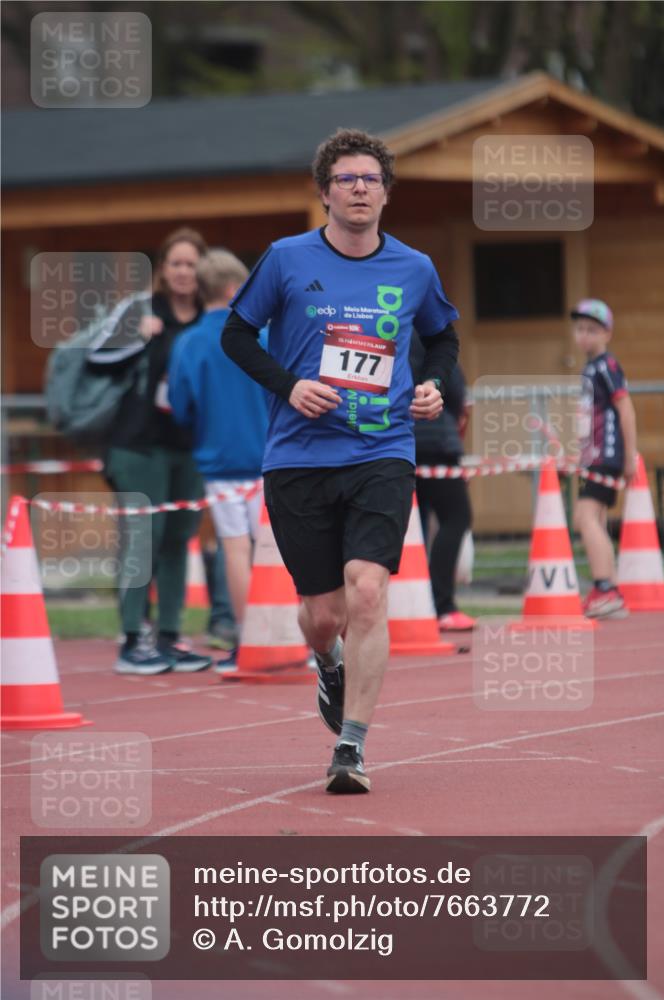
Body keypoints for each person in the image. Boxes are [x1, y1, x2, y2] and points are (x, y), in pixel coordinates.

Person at [222, 128, 459, 794]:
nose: (359, 189)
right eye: (346, 179)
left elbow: (442, 339)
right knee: (322, 611)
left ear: (386, 192)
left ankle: (350, 748)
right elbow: (235, 334)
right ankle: (326, 661)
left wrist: (432, 385)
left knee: (367, 590)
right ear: (325, 191)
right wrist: (289, 385)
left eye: (370, 179)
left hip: (380, 447)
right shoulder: (285, 259)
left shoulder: (413, 268)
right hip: (297, 456)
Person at [88, 227, 213, 674]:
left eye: (191, 264)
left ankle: (170, 636)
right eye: (176, 263)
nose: (184, 272)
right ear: (163, 270)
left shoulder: (210, 317)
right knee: (145, 541)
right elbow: (93, 357)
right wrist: (138, 337)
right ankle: (132, 638)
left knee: (179, 539)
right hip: (138, 445)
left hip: (189, 446)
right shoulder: (141, 310)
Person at [169, 249, 268, 669]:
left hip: (220, 461)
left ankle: (248, 640)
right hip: (269, 457)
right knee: (275, 550)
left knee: (236, 551)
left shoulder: (189, 342)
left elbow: (180, 406)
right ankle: (286, 636)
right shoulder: (262, 337)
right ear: (233, 289)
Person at [571, 298, 637, 619]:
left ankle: (605, 588)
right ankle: (607, 589)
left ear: (607, 333)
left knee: (585, 518)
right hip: (592, 455)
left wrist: (629, 457)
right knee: (592, 519)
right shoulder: (590, 369)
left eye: (592, 330)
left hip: (606, 455)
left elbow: (625, 408)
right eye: (580, 329)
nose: (584, 335)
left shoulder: (606, 366)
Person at [410, 336, 475, 631]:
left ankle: (413, 605)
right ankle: (442, 603)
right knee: (457, 516)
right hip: (436, 440)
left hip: (399, 442)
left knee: (414, 525)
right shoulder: (431, 333)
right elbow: (457, 392)